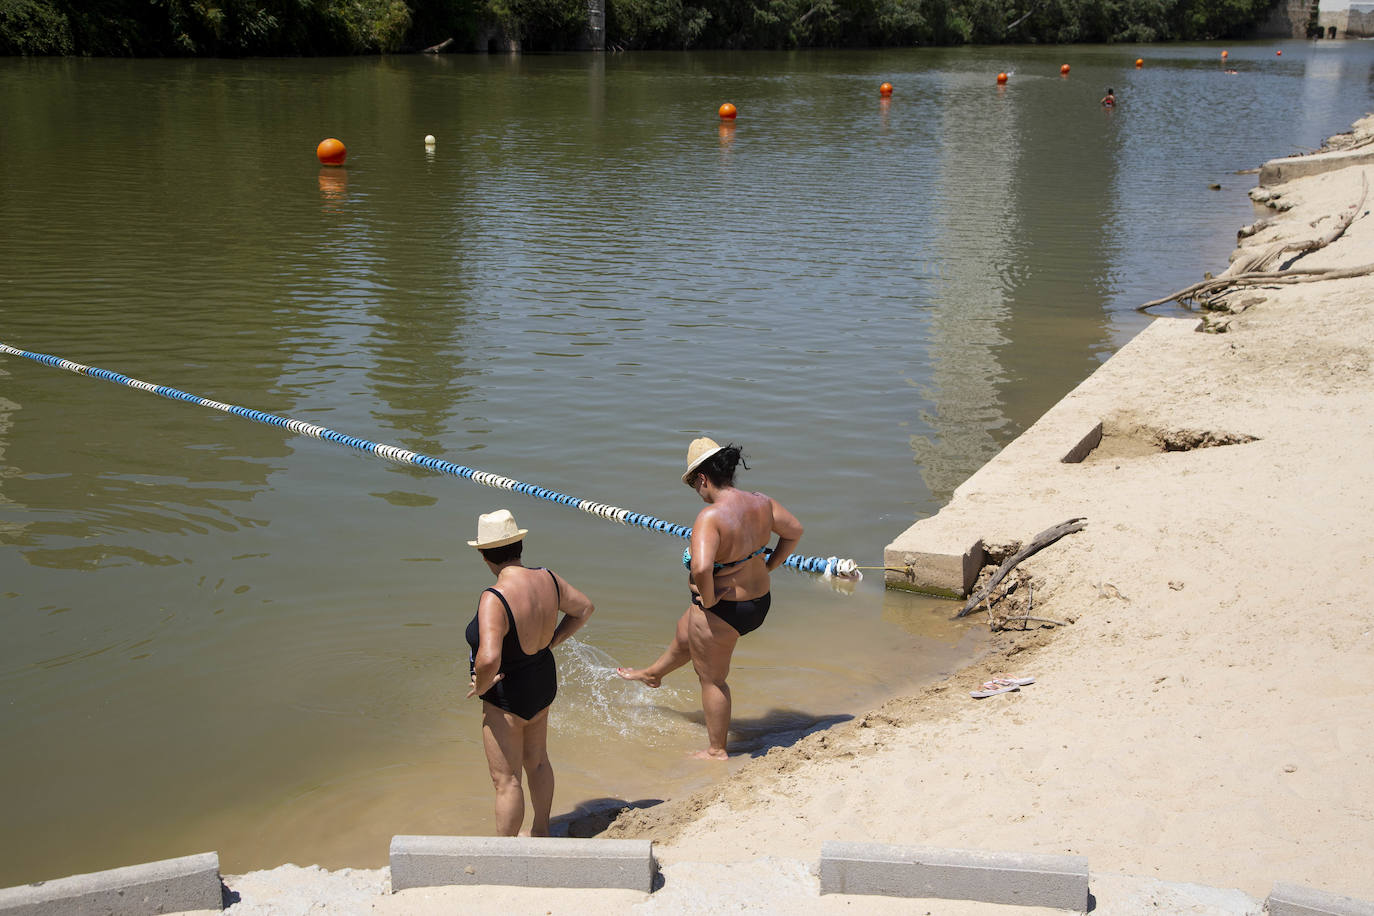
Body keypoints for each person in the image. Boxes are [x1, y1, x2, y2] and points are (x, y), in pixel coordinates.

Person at [616, 438, 803, 759]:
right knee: (685, 629)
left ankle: (716, 750)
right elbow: (794, 530)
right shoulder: (762, 502)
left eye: (694, 485)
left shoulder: (710, 517)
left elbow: (702, 566)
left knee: (713, 680)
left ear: (702, 478)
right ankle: (653, 674)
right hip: (759, 601)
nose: (697, 492)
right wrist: (770, 564)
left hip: (723, 609)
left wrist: (710, 598)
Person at [465, 508, 594, 836]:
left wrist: (481, 686)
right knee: (537, 761)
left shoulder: (494, 597)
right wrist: (554, 641)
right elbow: (584, 608)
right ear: (519, 547)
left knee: (506, 781)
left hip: (508, 693)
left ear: (484, 555)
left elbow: (488, 658)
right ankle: (541, 831)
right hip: (542, 680)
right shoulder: (548, 578)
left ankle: (505, 852)